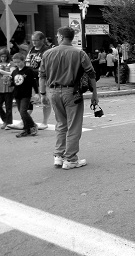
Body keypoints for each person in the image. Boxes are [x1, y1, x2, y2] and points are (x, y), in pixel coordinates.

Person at [38, 27, 98, 169]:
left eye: (57, 36)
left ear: (61, 37)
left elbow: (42, 75)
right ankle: (70, 159)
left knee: (61, 124)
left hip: (53, 92)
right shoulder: (79, 53)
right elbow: (91, 74)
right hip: (72, 92)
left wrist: (42, 94)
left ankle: (58, 155)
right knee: (74, 125)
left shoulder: (47, 53)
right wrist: (95, 94)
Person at [24, 31, 52, 130]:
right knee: (29, 100)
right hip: (31, 79)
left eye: (36, 40)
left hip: (43, 79)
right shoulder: (31, 49)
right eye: (33, 40)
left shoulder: (47, 51)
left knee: (45, 100)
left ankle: (45, 122)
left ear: (42, 40)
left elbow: (47, 66)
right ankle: (25, 120)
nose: (34, 42)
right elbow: (27, 62)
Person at [9, 53, 40, 138]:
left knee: (23, 111)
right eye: (15, 62)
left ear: (23, 61)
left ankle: (32, 126)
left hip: (26, 94)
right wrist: (9, 82)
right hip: (17, 94)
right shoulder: (15, 72)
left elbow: (34, 82)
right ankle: (27, 129)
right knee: (22, 113)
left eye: (19, 62)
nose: (17, 64)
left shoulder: (28, 70)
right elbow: (13, 83)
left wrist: (37, 93)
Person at [0, 48, 14, 129]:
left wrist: (2, 72)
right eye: (2, 56)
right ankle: (5, 120)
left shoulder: (11, 64)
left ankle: (8, 123)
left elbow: (12, 73)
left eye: (5, 56)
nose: (3, 58)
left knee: (8, 106)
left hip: (8, 88)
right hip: (0, 87)